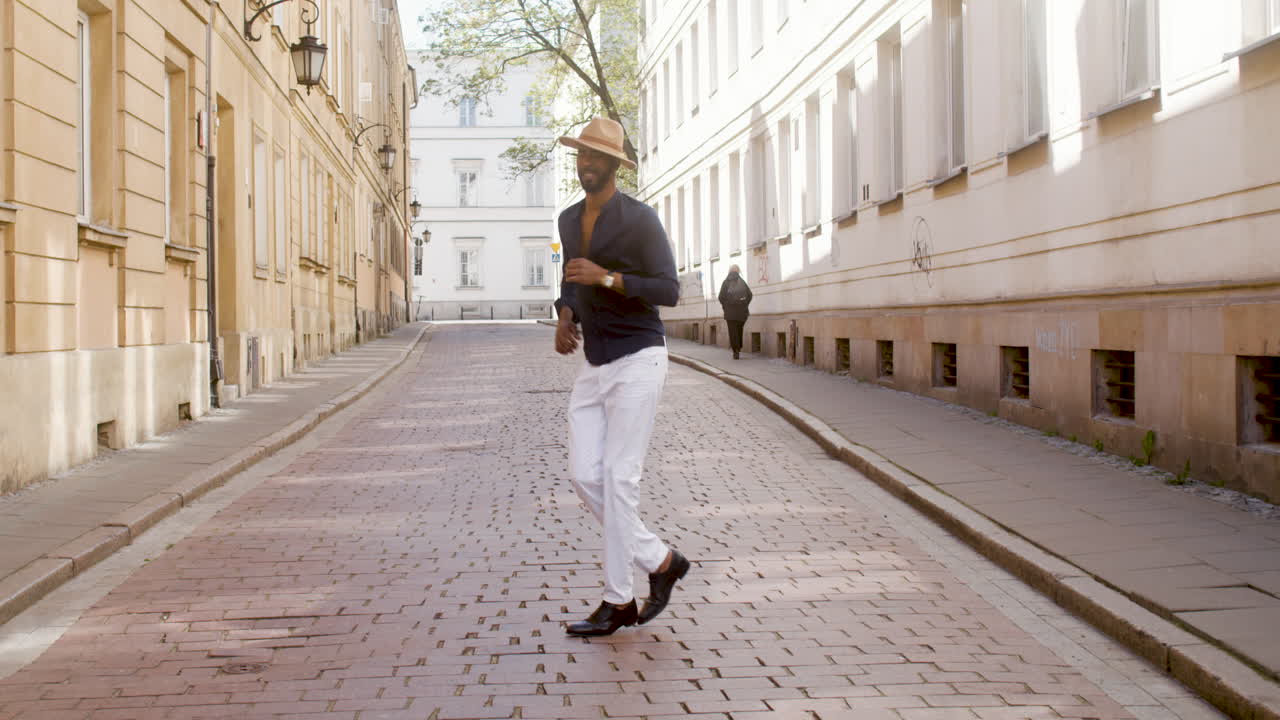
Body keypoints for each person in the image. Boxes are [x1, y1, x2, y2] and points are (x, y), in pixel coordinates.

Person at [553, 117, 691, 636]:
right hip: (595, 360)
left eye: (595, 158)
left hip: (638, 357)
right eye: (581, 156)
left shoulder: (640, 220)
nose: (586, 164)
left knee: (618, 477)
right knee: (584, 474)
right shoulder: (569, 219)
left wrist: (608, 278)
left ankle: (619, 601)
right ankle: (661, 561)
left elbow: (668, 290)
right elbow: (571, 280)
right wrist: (566, 315)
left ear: (614, 166)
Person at [718, 265, 752, 359]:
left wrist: (725, 306)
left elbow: (721, 297)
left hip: (730, 313)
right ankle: (739, 347)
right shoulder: (742, 282)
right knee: (739, 330)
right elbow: (750, 295)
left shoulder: (726, 282)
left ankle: (735, 350)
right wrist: (745, 304)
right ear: (738, 271)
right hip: (742, 312)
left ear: (729, 271)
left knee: (733, 332)